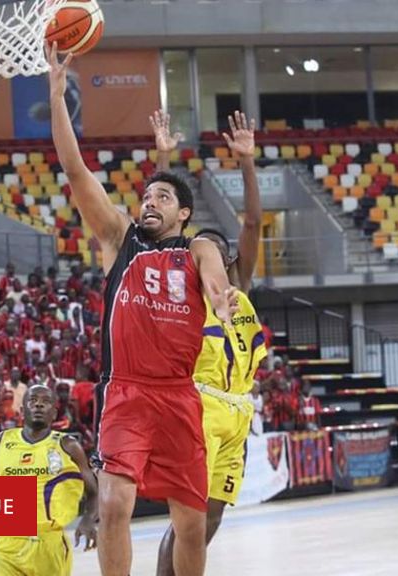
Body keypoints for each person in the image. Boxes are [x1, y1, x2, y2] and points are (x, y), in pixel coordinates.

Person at [49, 44, 237, 576]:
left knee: (192, 524)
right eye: (145, 196)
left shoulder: (197, 246)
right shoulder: (119, 239)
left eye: (161, 196)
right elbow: (74, 167)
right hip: (126, 390)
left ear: (183, 212)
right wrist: (59, 96)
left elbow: (214, 275)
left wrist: (220, 297)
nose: (148, 201)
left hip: (179, 394)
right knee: (112, 505)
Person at [151, 110, 265, 576]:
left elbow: (254, 223)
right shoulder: (186, 294)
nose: (209, 252)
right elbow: (160, 230)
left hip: (237, 411)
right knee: (187, 521)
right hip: (198, 405)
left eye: (218, 247)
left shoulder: (241, 291)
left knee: (211, 517)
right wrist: (162, 156)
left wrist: (247, 163)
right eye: (203, 248)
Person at [0, 385, 98, 575]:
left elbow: (94, 492)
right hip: (5, 545)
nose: (38, 405)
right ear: (22, 410)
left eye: (45, 402)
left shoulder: (68, 446)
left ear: (54, 413)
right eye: (33, 400)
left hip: (49, 545)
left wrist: (88, 520)